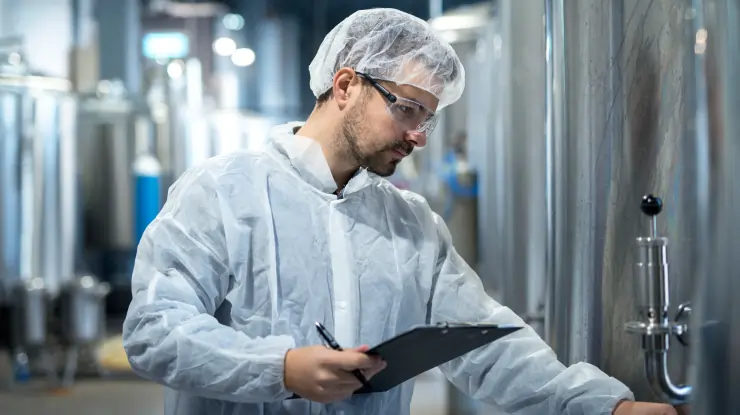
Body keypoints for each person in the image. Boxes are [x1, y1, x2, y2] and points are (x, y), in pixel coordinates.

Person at [122, 8, 681, 415]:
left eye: (428, 118)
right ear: (345, 85)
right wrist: (281, 368)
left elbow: (485, 342)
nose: (418, 135)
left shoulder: (411, 224)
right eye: (407, 108)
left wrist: (604, 408)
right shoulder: (222, 192)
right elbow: (155, 330)